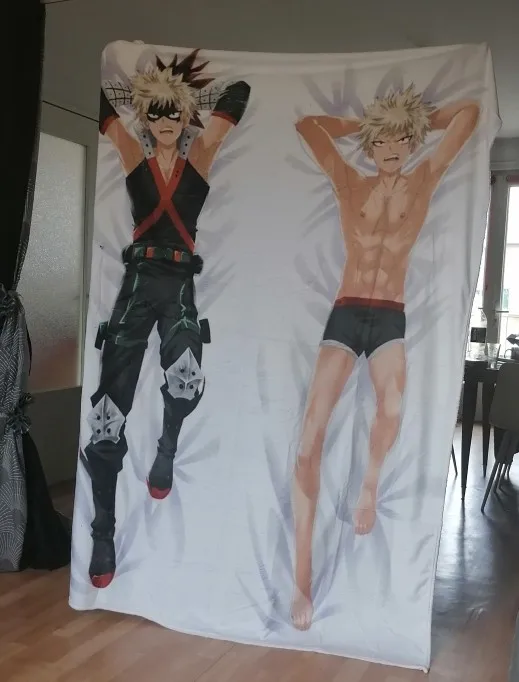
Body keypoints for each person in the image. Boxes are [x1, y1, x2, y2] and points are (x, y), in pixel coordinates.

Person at [291, 84, 479, 630]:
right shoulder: (350, 183)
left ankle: (369, 484)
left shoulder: (423, 181)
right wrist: (368, 124)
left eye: (402, 140)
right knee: (309, 439)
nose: (393, 149)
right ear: (371, 146)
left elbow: (468, 114)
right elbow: (307, 127)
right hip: (347, 311)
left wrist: (411, 120)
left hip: (390, 315)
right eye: (384, 141)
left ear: (413, 143)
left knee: (392, 407)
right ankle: (302, 580)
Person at [84, 49, 251, 588]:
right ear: (145, 117)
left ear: (184, 117)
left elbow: (238, 98)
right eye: (154, 112)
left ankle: (168, 443)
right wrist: (122, 84)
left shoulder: (198, 157)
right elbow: (106, 116)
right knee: (107, 414)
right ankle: (104, 532)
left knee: (185, 378)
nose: (163, 121)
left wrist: (189, 92)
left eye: (171, 112)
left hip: (178, 285)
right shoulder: (133, 155)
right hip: (137, 286)